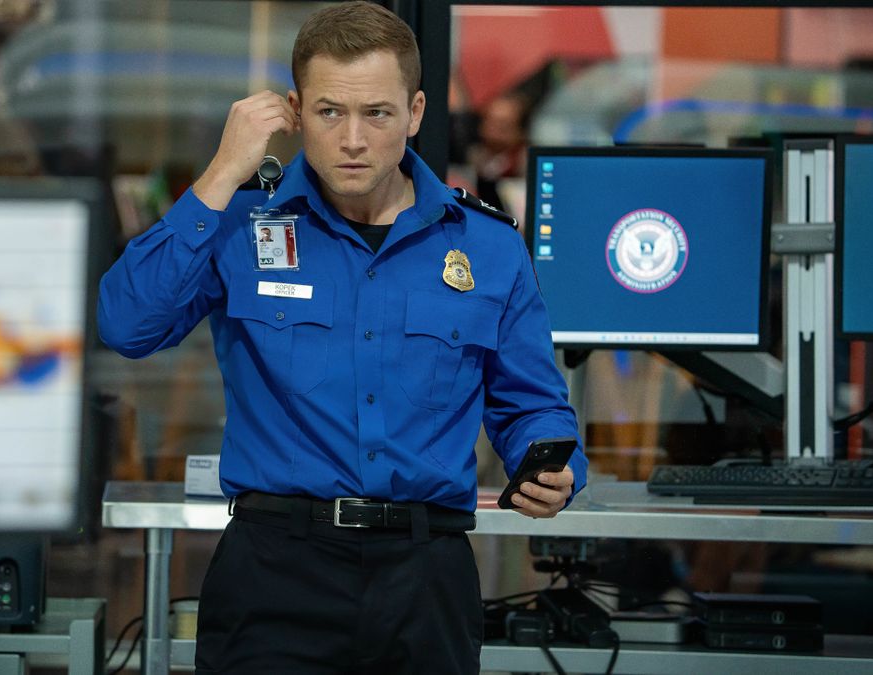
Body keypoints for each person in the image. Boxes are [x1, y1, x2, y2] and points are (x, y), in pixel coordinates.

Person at [97, 3, 586, 673]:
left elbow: (534, 403)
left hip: (427, 576)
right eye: (330, 112)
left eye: (377, 114)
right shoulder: (240, 225)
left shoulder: (489, 248)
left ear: (415, 113)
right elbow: (126, 326)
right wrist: (220, 175)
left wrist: (554, 467)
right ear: (296, 110)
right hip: (274, 573)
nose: (353, 139)